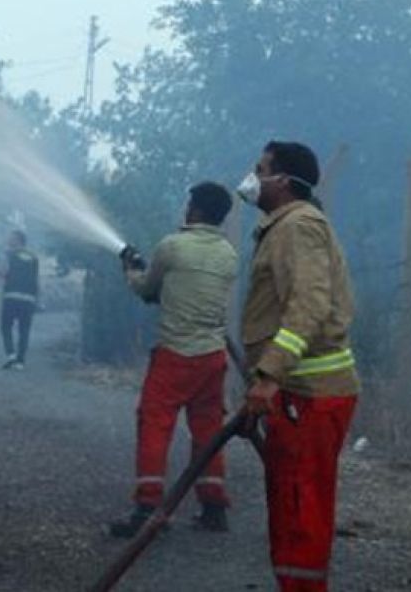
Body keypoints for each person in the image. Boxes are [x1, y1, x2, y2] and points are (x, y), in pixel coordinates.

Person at [238, 141, 359, 592]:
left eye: (261, 168)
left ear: (283, 180)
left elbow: (308, 304)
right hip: (298, 395)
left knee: (301, 508)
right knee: (291, 508)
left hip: (311, 396)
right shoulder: (285, 226)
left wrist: (269, 375)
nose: (252, 176)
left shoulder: (298, 227)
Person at [110, 182, 239, 538]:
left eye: (189, 204)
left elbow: (148, 290)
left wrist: (131, 269)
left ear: (195, 210)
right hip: (213, 358)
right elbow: (188, 287)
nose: (185, 209)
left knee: (154, 424)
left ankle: (148, 508)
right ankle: (214, 507)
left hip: (175, 356)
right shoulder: (228, 254)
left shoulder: (172, 246)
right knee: (209, 431)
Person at [0, 230, 39, 371]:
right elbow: (35, 278)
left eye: (11, 238)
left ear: (18, 240)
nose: (8, 240)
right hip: (29, 298)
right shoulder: (34, 257)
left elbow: (3, 273)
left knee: (6, 326)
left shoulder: (8, 254)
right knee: (24, 330)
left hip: (11, 295)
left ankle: (11, 354)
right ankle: (20, 362)